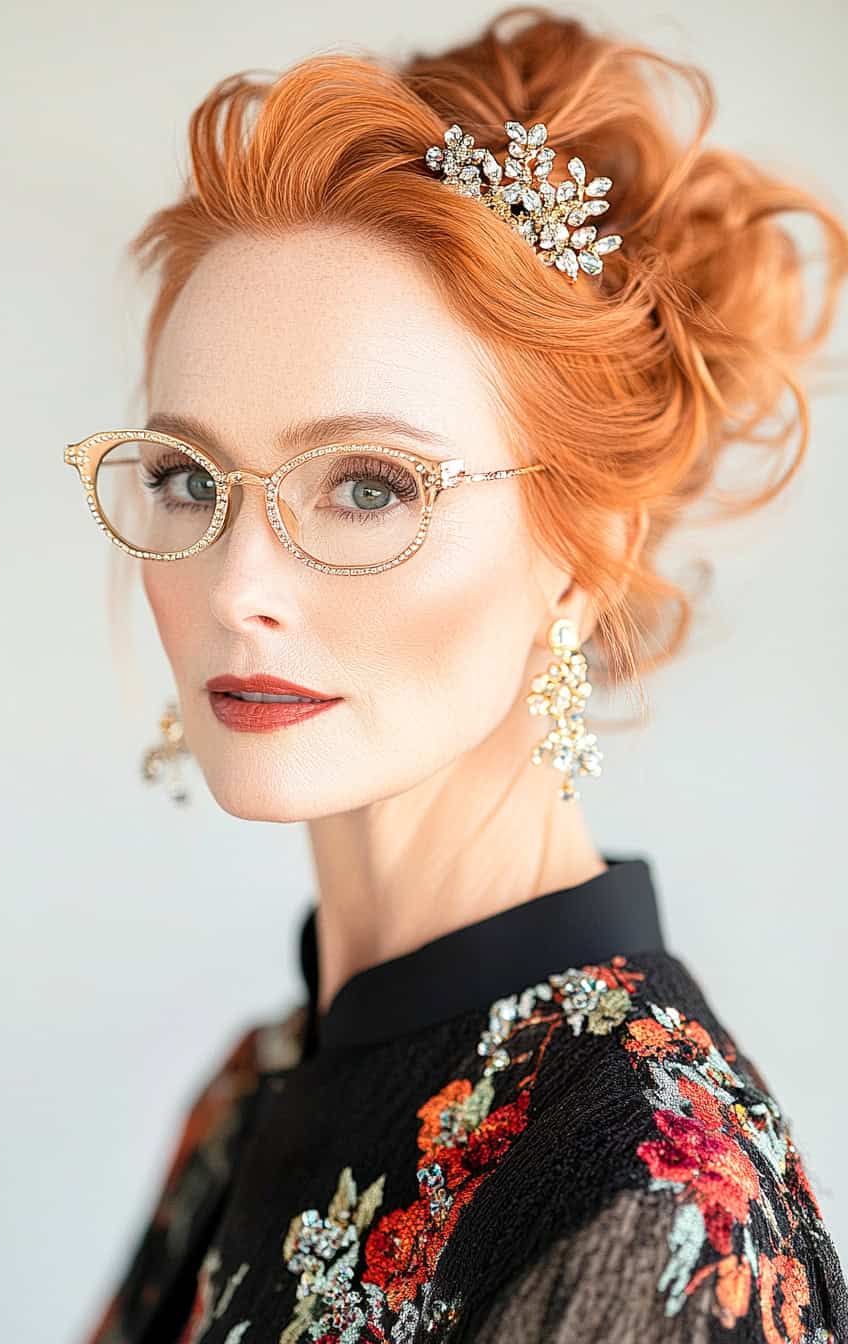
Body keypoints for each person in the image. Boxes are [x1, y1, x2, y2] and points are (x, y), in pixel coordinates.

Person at [67, 8, 848, 1342]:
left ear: (581, 545)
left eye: (369, 485)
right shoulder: (252, 1092)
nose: (236, 582)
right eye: (190, 478)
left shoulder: (650, 1198)